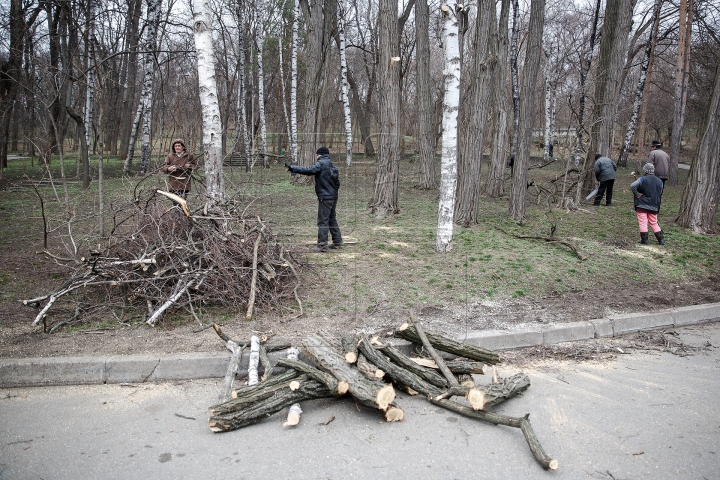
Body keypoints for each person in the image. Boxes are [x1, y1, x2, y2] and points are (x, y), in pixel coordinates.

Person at [286, 147, 343, 252]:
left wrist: (292, 168)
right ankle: (337, 241)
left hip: (325, 197)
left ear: (319, 155)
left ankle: (322, 245)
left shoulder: (321, 163)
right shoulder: (333, 166)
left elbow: (309, 170)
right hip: (333, 196)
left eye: (317, 155)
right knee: (331, 219)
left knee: (323, 221)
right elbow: (337, 183)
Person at [631, 162, 665, 245]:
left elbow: (632, 186)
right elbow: (660, 192)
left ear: (645, 171)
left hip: (642, 204)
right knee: (654, 222)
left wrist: (637, 194)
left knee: (643, 222)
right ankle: (661, 240)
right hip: (654, 205)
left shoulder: (642, 179)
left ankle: (644, 240)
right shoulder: (660, 181)